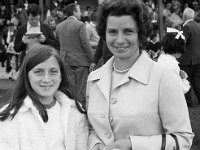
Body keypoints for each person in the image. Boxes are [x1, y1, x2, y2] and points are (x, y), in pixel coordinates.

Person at [86, 0, 194, 150]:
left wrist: (134, 145)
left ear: (140, 34)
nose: (119, 40)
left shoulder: (164, 78)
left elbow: (182, 138)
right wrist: (96, 145)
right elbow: (92, 129)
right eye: (112, 32)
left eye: (128, 31)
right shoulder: (93, 79)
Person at [0, 45, 88, 150]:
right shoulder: (10, 116)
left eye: (53, 71)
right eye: (38, 72)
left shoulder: (75, 112)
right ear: (26, 76)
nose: (46, 79)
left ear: (61, 76)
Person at [56, 3, 94, 105]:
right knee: (81, 90)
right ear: (74, 12)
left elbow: (58, 44)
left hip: (65, 60)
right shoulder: (80, 25)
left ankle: (71, 111)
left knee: (69, 89)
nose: (80, 13)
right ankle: (81, 112)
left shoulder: (59, 26)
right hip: (81, 61)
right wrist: (92, 60)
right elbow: (86, 44)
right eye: (78, 11)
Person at [14, 3, 59, 68]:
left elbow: (56, 45)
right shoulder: (22, 29)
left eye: (37, 19)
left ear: (39, 16)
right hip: (27, 61)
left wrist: (45, 40)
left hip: (43, 61)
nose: (35, 21)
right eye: (32, 19)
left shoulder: (46, 27)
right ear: (28, 16)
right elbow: (16, 48)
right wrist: (23, 42)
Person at [157, 28, 190, 95]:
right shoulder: (170, 64)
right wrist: (184, 80)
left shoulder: (163, 59)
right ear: (177, 48)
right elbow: (180, 89)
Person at [178, 7, 200, 106]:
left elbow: (181, 42)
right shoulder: (198, 26)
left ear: (185, 16)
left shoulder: (187, 27)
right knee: (197, 81)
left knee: (186, 81)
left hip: (187, 59)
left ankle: (189, 102)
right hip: (197, 58)